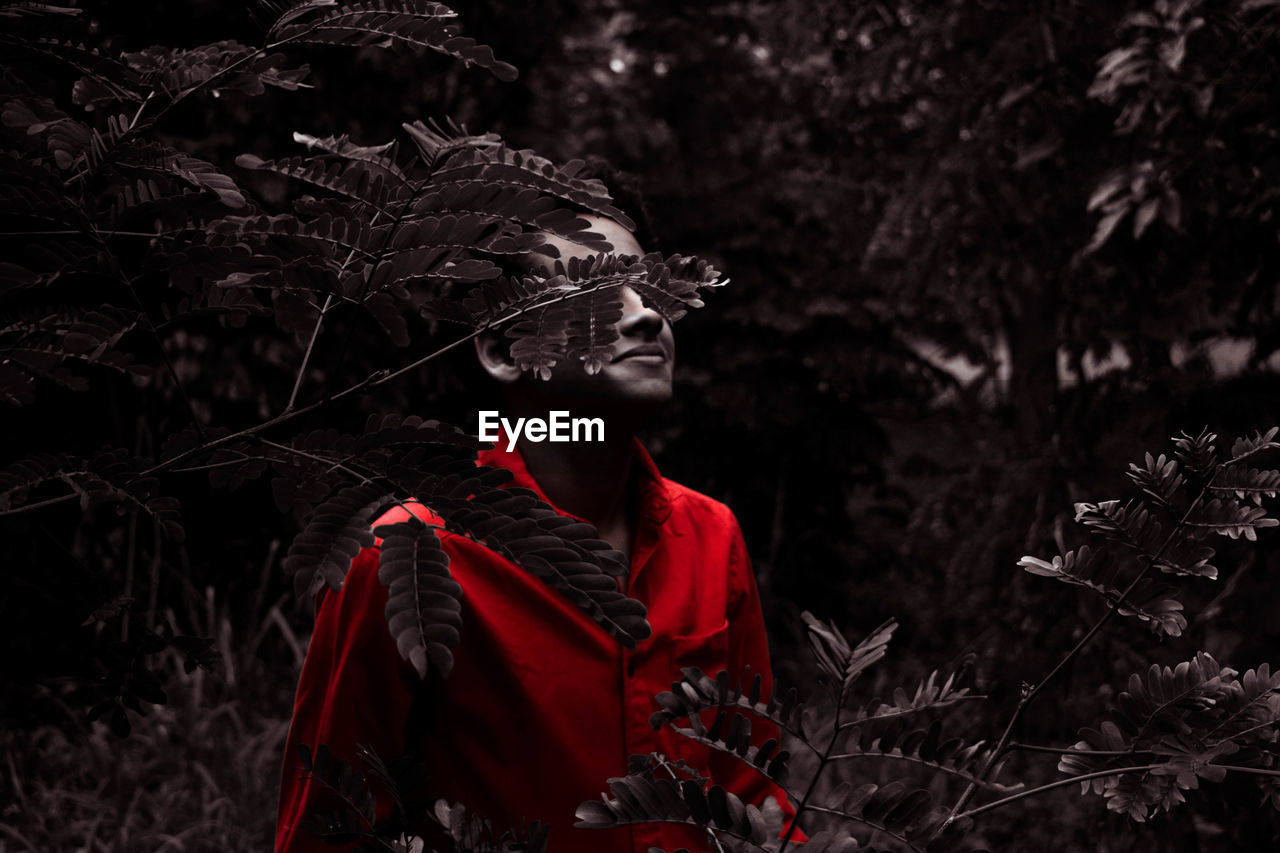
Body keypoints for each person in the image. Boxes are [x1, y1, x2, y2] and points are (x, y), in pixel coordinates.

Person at [276, 206, 797, 852]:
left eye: (651, 291)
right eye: (597, 293)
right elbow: (330, 832)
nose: (648, 315)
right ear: (502, 349)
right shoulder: (404, 556)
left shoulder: (713, 535)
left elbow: (753, 796)